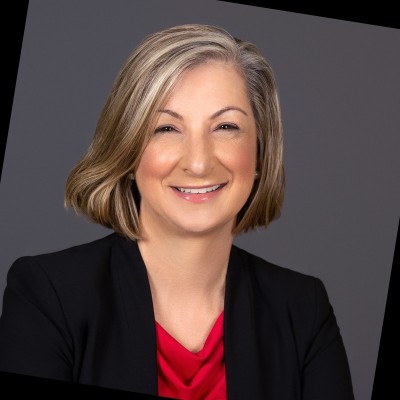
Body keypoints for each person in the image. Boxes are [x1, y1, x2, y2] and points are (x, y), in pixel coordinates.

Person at [0, 24, 354, 399]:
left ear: (260, 152)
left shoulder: (303, 309)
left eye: (226, 126)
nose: (198, 163)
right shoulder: (48, 296)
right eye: (167, 128)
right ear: (127, 151)